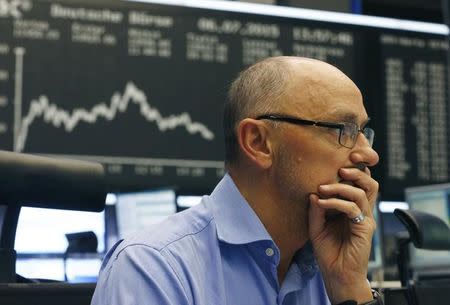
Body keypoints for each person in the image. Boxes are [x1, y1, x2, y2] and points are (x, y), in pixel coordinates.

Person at [91, 56, 381, 305]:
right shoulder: (154, 267)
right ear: (257, 142)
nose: (368, 154)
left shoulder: (332, 268)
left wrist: (350, 287)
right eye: (342, 129)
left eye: (362, 131)